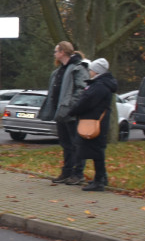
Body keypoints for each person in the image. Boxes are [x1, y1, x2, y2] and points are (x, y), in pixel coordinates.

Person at [39, 40, 89, 185]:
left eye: (56, 51)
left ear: (62, 52)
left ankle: (78, 173)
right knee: (66, 144)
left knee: (76, 144)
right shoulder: (59, 71)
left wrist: (71, 106)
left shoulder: (78, 68)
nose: (54, 54)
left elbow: (81, 90)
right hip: (60, 113)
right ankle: (67, 172)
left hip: (72, 114)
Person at [68, 58, 116, 192]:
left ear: (96, 71)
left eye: (91, 70)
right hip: (98, 121)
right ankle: (101, 178)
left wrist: (73, 111)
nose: (89, 72)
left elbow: (86, 101)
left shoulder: (99, 86)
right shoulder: (103, 84)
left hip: (94, 122)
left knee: (97, 151)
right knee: (97, 151)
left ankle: (99, 181)